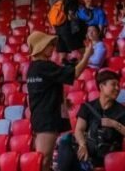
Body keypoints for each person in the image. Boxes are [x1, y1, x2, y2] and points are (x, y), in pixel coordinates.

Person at [29, 30, 95, 171]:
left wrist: (62, 99)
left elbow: (46, 87)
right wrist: (87, 55)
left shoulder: (32, 68)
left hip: (39, 117)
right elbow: (75, 73)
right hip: (47, 119)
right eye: (49, 45)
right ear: (40, 47)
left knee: (43, 161)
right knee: (44, 160)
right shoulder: (45, 66)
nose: (53, 48)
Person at [57, 69, 125, 171]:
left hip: (107, 153)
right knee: (66, 140)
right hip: (88, 152)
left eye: (118, 85)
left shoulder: (122, 110)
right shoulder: (88, 107)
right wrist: (82, 145)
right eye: (113, 84)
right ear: (102, 86)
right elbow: (79, 129)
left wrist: (114, 124)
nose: (117, 88)